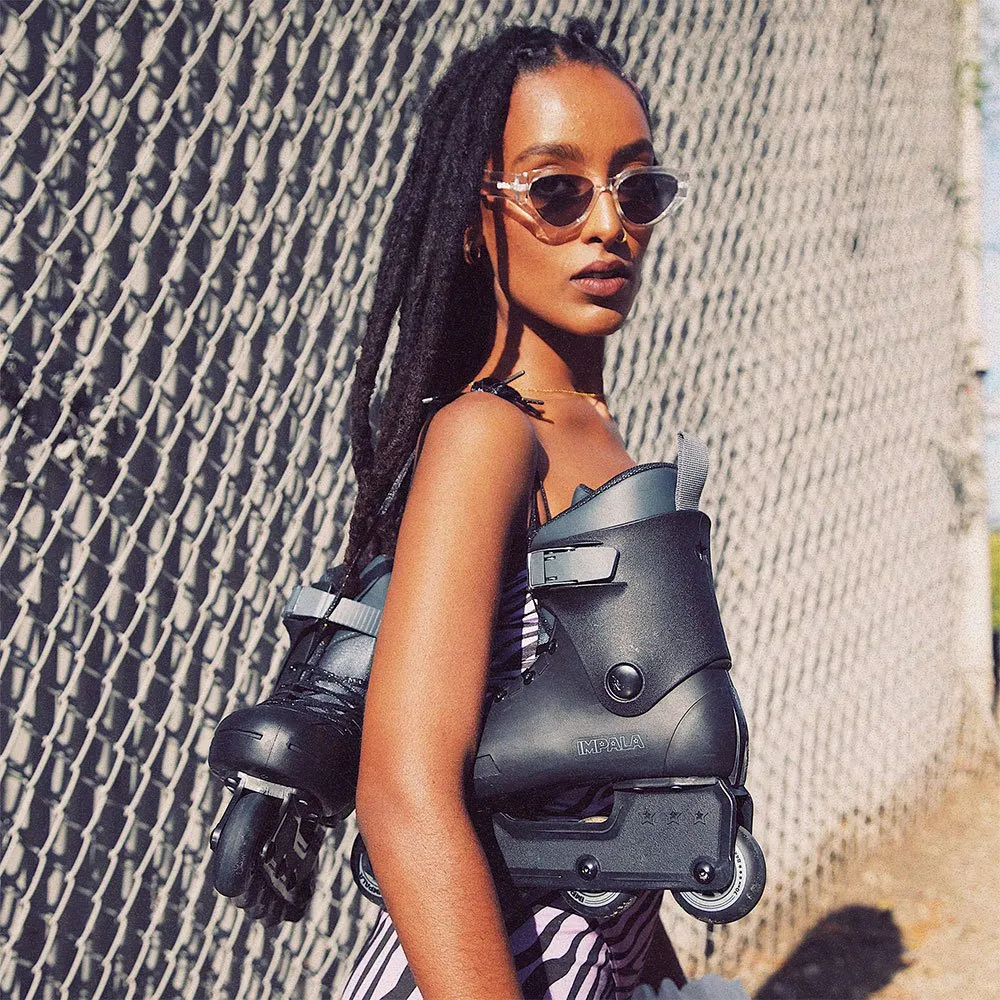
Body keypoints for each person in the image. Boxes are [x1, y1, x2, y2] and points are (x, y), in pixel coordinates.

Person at [340, 20, 688, 1000]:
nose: (609, 225)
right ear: (472, 219)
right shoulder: (486, 437)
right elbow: (404, 791)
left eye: (636, 189)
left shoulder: (600, 438)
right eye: (558, 191)